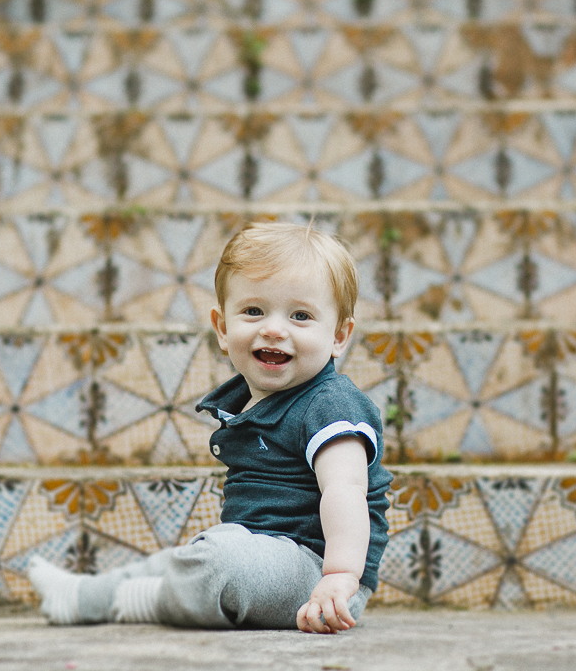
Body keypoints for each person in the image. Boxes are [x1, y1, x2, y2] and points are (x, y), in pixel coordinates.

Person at [27, 222, 392, 633]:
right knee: (184, 558)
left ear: (339, 336)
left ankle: (136, 602)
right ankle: (81, 597)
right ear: (222, 328)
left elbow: (346, 490)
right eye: (254, 311)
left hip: (315, 573)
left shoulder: (330, 404)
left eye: (301, 315)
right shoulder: (249, 399)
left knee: (218, 560)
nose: (273, 328)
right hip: (262, 555)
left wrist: (340, 576)